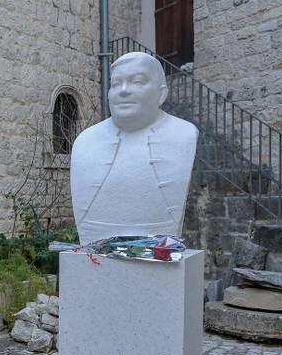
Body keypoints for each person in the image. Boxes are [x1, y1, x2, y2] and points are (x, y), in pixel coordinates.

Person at [69, 51, 198, 244]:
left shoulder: (184, 134)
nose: (123, 90)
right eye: (115, 84)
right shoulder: (85, 141)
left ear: (161, 93)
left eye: (137, 82)